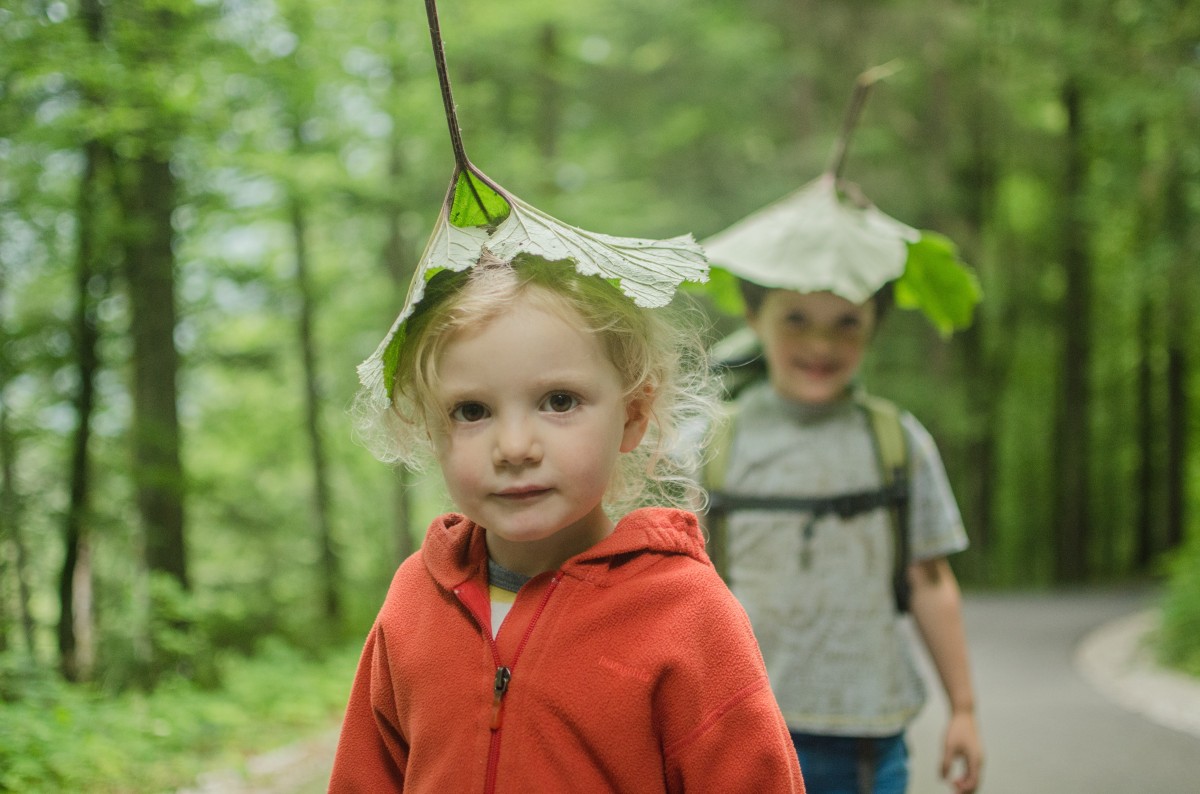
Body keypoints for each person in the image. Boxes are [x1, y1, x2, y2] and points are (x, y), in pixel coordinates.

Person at [329, 254, 805, 793]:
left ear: (632, 414)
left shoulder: (688, 616)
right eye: (471, 411)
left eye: (559, 401)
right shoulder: (416, 600)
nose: (514, 448)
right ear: (430, 430)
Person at [700, 277, 984, 794]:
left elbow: (930, 579)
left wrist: (962, 707)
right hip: (740, 724)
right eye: (796, 319)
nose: (821, 344)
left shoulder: (897, 441)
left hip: (867, 735)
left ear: (874, 328)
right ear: (753, 318)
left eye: (846, 322)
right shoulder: (710, 441)